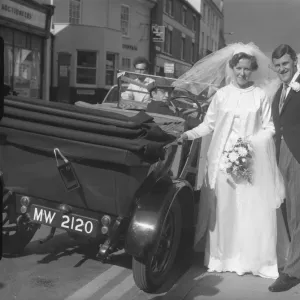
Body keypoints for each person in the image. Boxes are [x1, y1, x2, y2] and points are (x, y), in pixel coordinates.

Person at [177, 43, 288, 279]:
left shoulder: (259, 96)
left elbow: (269, 128)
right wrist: (187, 134)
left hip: (249, 163)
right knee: (224, 211)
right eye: (239, 68)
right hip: (221, 164)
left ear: (253, 70)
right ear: (232, 67)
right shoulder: (222, 95)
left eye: (247, 69)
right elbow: (209, 125)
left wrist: (249, 145)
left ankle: (247, 259)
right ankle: (221, 258)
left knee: (247, 210)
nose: (242, 73)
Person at [268, 44, 300, 292]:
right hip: (281, 155)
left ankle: (293, 271)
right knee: (288, 210)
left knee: (297, 215)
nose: (282, 69)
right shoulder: (280, 90)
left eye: (285, 64)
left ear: (295, 62)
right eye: (278, 65)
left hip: (297, 157)